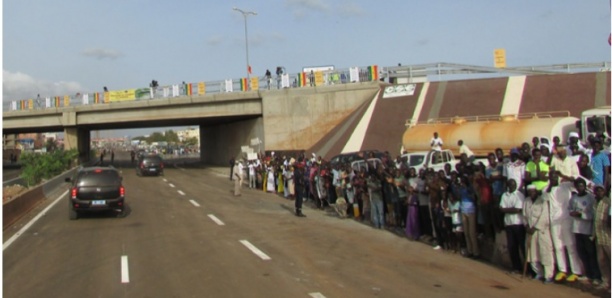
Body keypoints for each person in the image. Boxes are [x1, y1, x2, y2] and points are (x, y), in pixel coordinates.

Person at [543, 171, 584, 282]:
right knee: (558, 247)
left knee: (571, 245)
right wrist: (551, 185)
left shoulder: (565, 185)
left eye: (556, 177)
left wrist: (564, 176)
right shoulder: (547, 188)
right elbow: (544, 198)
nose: (554, 178)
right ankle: (562, 270)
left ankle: (576, 271)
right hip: (554, 221)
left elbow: (576, 182)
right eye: (552, 177)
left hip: (567, 219)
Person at [569, 178, 602, 284]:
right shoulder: (573, 198)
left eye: (582, 185)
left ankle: (596, 276)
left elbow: (593, 214)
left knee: (591, 253)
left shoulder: (590, 197)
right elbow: (569, 209)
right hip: (577, 229)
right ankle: (588, 274)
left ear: (585, 186)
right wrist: (572, 213)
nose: (580, 187)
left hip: (587, 230)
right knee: (582, 253)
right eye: (578, 186)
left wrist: (581, 215)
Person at [523, 184, 554, 283]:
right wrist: (527, 226)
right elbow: (524, 216)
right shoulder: (526, 201)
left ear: (536, 192)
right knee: (532, 254)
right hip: (530, 231)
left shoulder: (543, 201)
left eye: (533, 191)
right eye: (529, 192)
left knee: (545, 252)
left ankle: (548, 275)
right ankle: (538, 273)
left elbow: (545, 217)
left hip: (541, 231)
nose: (531, 193)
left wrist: (535, 227)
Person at [499, 179, 526, 274]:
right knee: (512, 247)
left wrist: (507, 209)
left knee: (523, 246)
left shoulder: (519, 195)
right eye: (510, 185)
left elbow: (518, 210)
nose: (512, 186)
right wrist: (511, 209)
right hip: (509, 224)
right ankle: (516, 267)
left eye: (514, 185)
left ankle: (528, 269)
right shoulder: (504, 195)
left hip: (518, 224)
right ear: (507, 185)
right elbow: (501, 209)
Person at [593, 185, 611, 289]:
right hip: (599, 236)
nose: (599, 192)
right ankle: (606, 282)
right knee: (601, 260)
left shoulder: (608, 202)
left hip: (608, 236)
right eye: (597, 190)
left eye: (601, 190)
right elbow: (595, 220)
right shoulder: (595, 203)